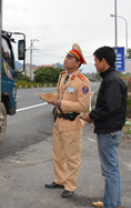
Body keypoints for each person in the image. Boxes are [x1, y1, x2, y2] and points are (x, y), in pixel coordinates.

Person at [40, 43, 91, 198]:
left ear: (78, 63)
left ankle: (70, 185)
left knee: (72, 157)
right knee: (58, 154)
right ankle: (60, 179)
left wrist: (60, 103)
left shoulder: (83, 81)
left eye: (71, 58)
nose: (66, 59)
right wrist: (50, 97)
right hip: (59, 121)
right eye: (66, 56)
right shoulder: (62, 75)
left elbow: (82, 105)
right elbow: (59, 94)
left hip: (72, 122)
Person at [81, 46, 127, 208]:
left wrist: (91, 116)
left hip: (109, 131)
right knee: (111, 169)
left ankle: (111, 205)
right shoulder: (110, 77)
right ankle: (113, 202)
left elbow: (110, 107)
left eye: (95, 61)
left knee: (110, 171)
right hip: (110, 130)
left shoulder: (112, 80)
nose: (94, 64)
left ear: (103, 61)